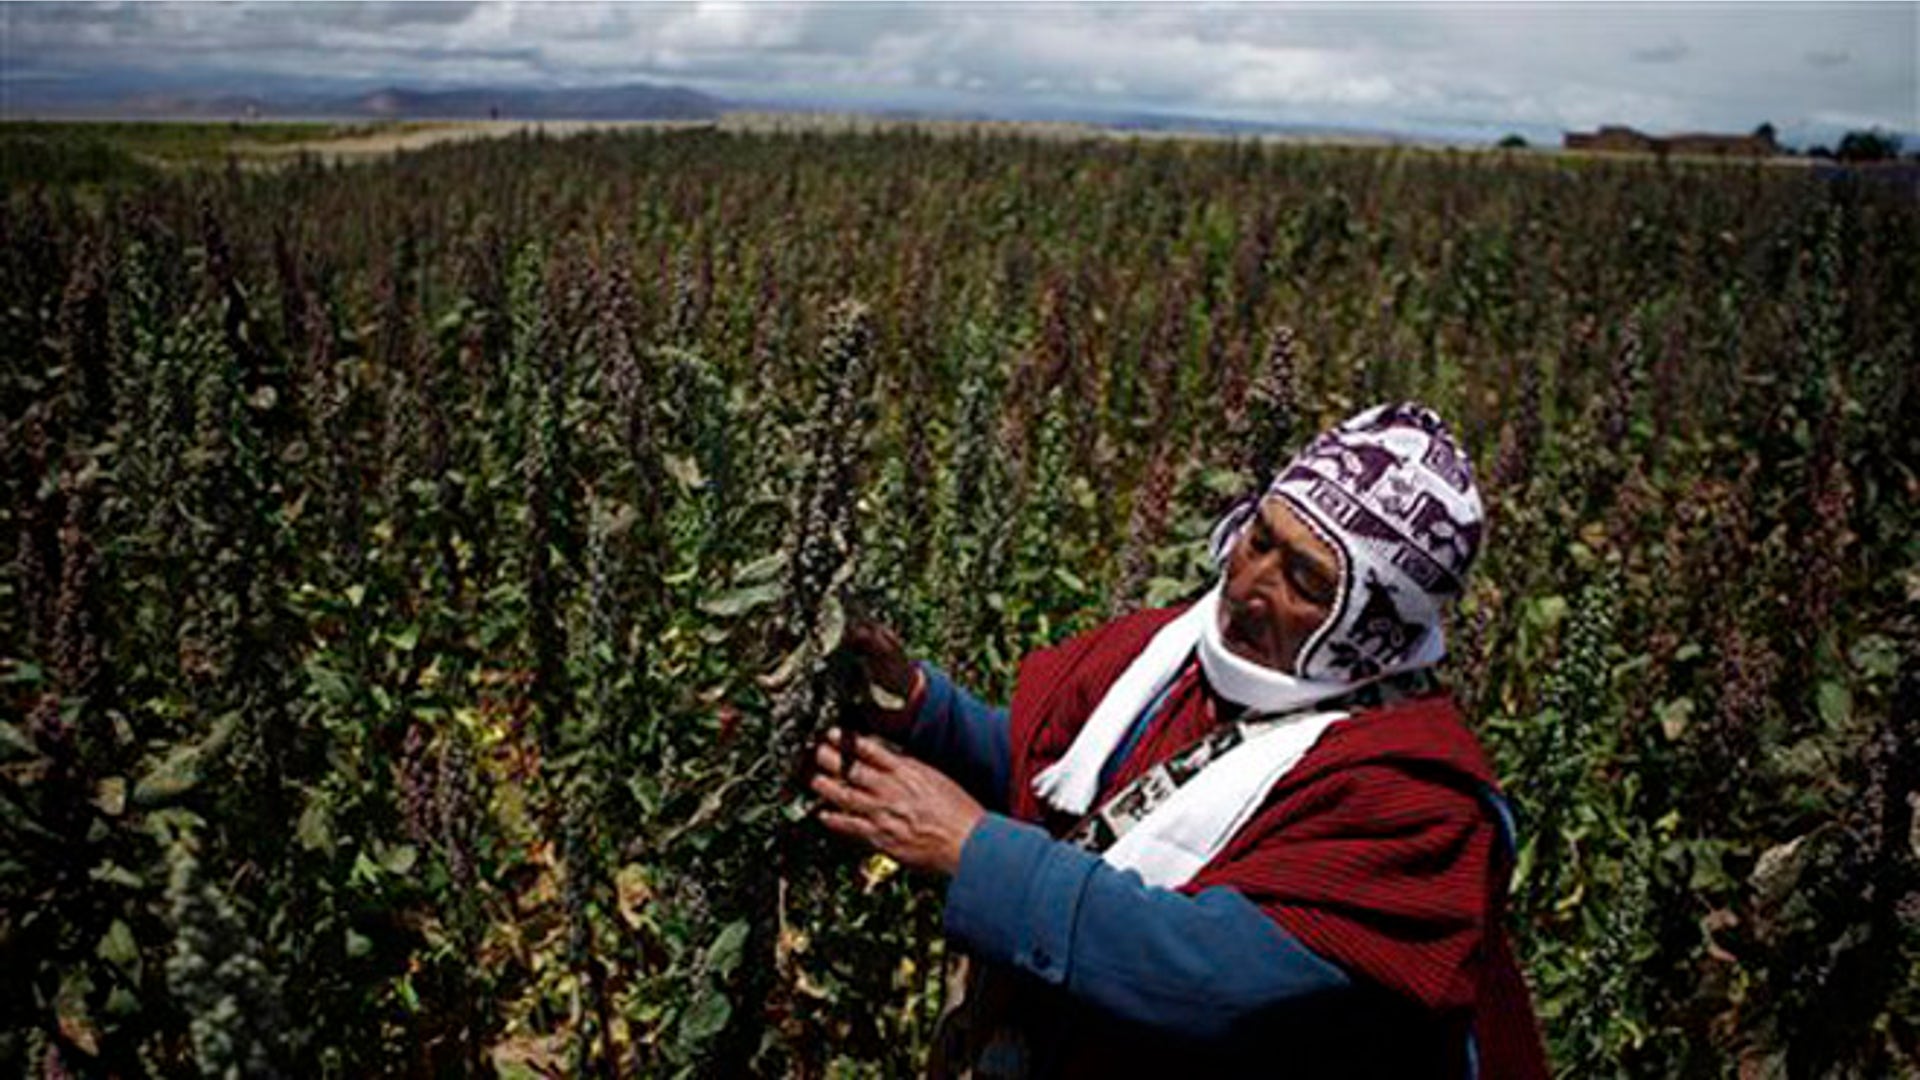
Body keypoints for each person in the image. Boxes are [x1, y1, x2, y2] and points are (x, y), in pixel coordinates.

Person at [809, 402, 1549, 1078]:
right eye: (1261, 537)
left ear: (1372, 623)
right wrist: (923, 710)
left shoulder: (1412, 795)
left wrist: (974, 849)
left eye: (1304, 579)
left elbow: (1213, 978)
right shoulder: (1181, 655)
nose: (1250, 585)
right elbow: (1078, 791)